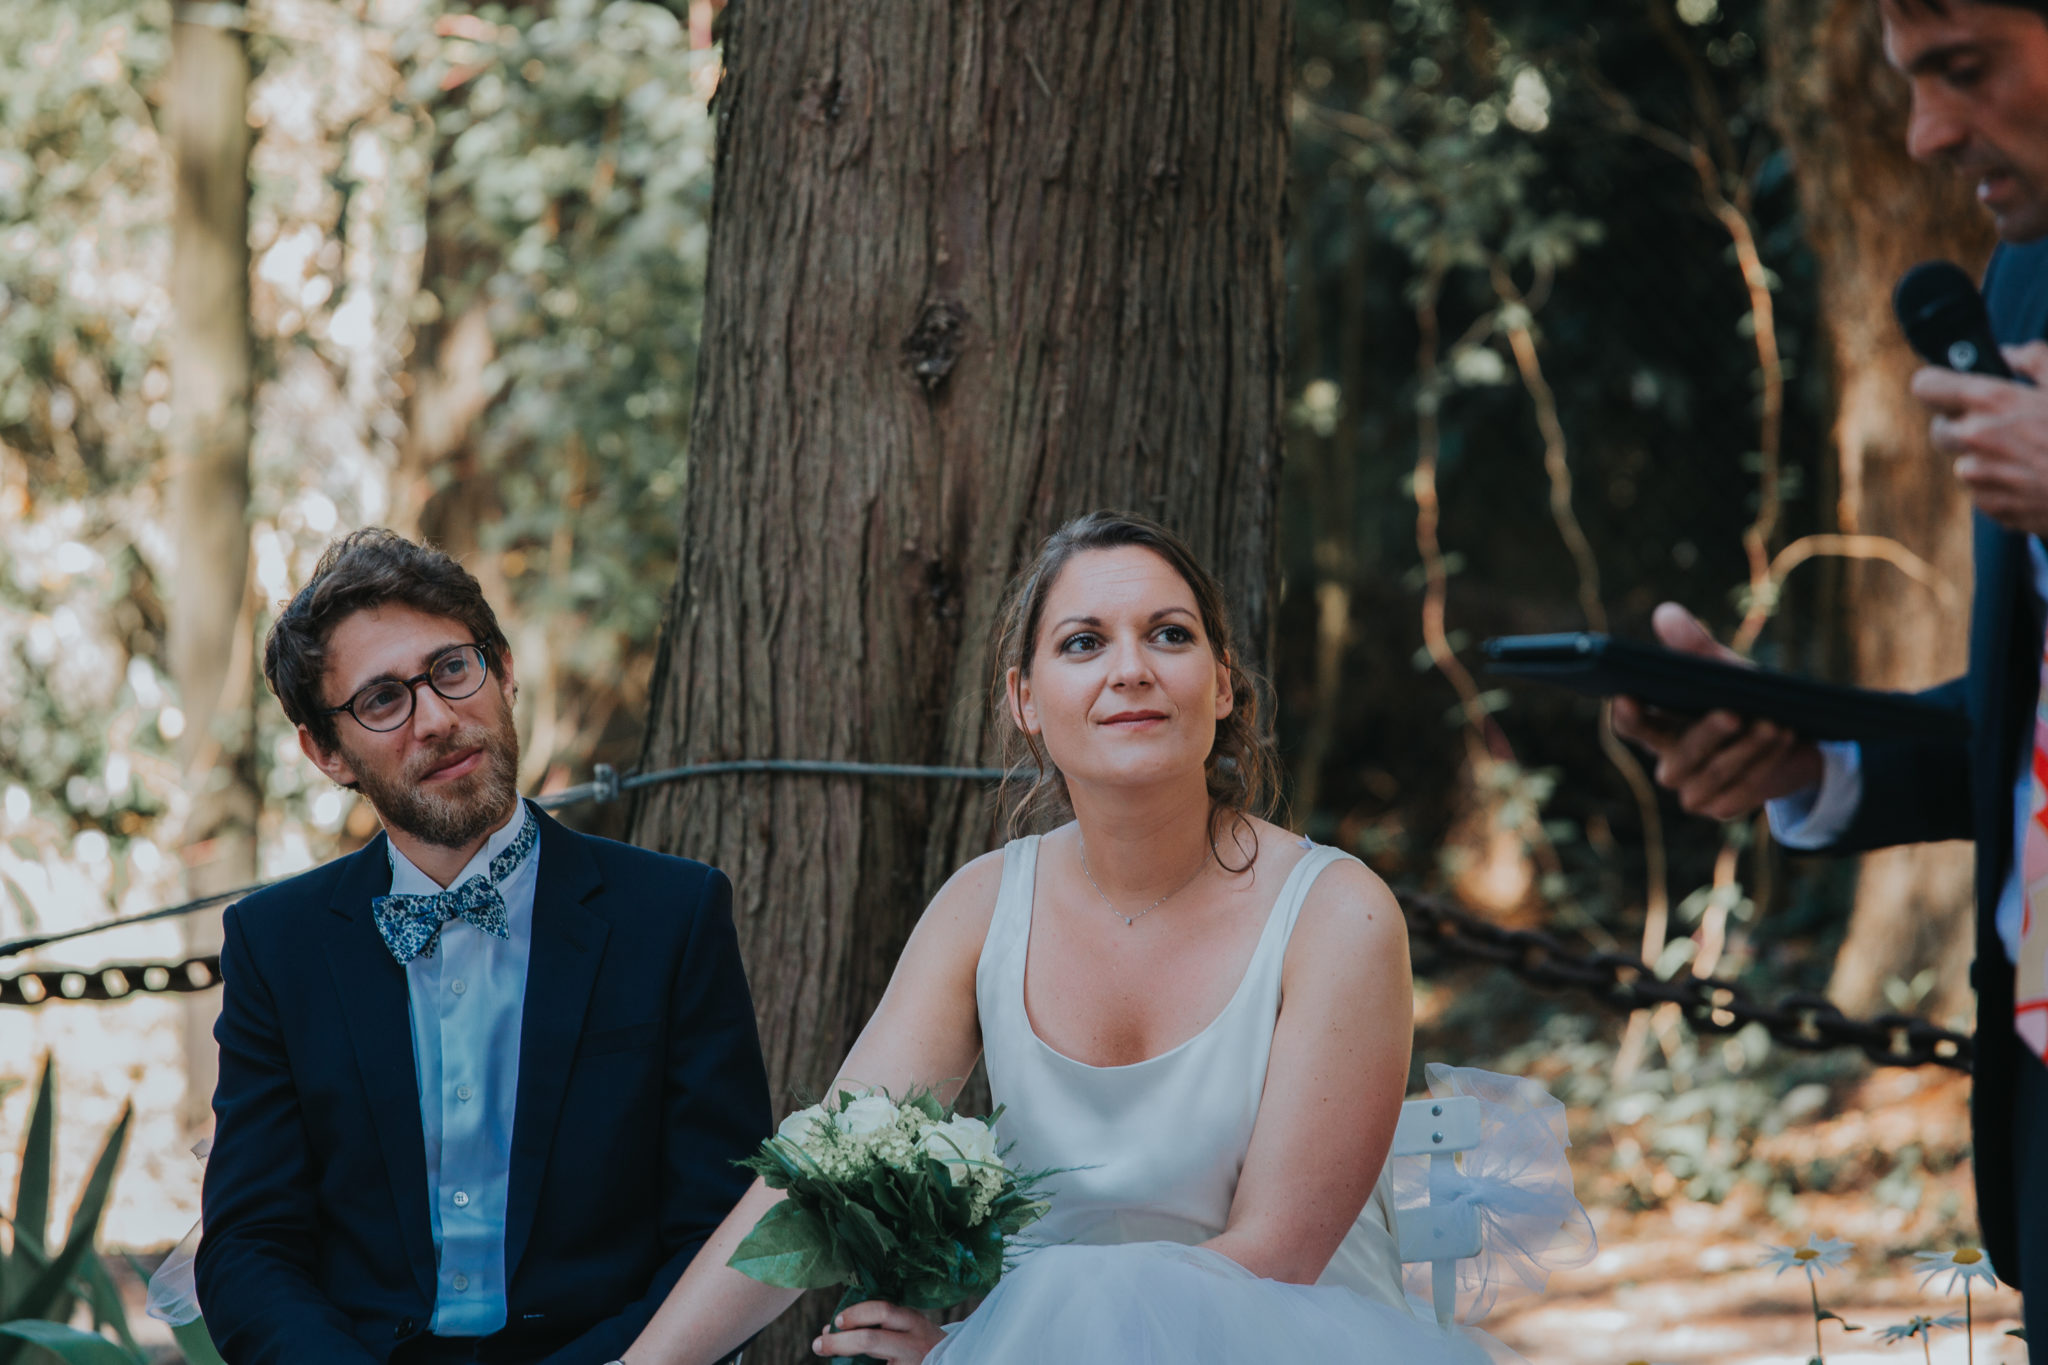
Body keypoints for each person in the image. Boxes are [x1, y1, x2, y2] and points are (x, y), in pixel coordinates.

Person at [612, 512, 1590, 1365]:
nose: (1129, 669)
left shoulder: (1337, 912)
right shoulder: (979, 907)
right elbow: (827, 1189)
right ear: (1024, 701)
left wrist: (987, 1351)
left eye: (1167, 635)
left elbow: (1277, 1256)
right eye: (1083, 643)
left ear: (1220, 687)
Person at [1612, 0, 2048, 1344]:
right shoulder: (2021, 277)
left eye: (1964, 74)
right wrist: (1815, 753)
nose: (1923, 136)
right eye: (1910, 84)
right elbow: (2028, 717)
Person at [190, 529, 773, 1364]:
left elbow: (719, 1227)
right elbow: (250, 1244)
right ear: (326, 751)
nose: (437, 719)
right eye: (383, 700)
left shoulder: (672, 915)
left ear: (501, 669)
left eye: (453, 669)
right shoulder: (276, 944)